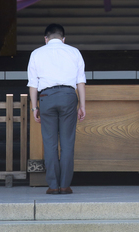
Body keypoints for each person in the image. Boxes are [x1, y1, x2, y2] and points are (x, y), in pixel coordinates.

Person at [28, 24, 86, 195]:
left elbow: (33, 84)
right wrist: (82, 105)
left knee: (50, 143)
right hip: (68, 96)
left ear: (45, 39)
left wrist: (34, 108)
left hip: (46, 97)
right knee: (67, 143)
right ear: (63, 39)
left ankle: (53, 186)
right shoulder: (74, 52)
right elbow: (80, 82)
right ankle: (65, 185)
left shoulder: (37, 53)